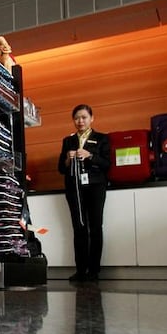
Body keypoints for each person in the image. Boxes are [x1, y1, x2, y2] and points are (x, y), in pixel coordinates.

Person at [58, 104, 110, 281]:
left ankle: (94, 270)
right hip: (74, 188)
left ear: (91, 118)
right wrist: (67, 159)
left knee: (95, 227)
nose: (80, 121)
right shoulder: (68, 141)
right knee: (79, 228)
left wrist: (90, 156)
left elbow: (107, 164)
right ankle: (81, 270)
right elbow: (60, 168)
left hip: (95, 186)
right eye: (77, 118)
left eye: (84, 117)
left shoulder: (102, 138)